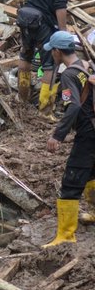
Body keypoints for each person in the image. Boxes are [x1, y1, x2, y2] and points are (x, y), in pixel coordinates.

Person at [16, 0, 90, 120]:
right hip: (43, 23)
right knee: (49, 65)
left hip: (25, 17)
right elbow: (60, 5)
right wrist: (63, 34)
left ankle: (21, 100)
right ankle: (45, 110)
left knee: (26, 54)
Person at [43, 31, 95, 247]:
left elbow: (72, 106)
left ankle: (65, 235)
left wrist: (58, 135)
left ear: (57, 51)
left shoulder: (67, 76)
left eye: (52, 51)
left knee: (71, 181)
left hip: (88, 134)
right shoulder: (87, 66)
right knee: (92, 173)